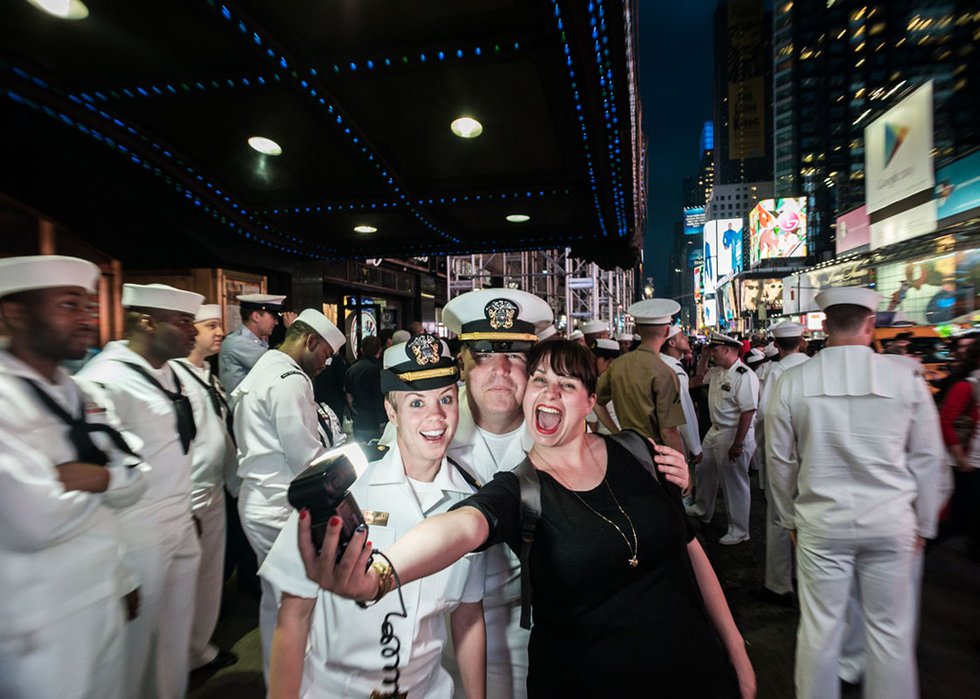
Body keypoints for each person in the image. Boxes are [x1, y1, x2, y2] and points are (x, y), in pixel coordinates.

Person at [299, 341, 755, 698]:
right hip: (589, 685)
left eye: (567, 384)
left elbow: (688, 547)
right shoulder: (518, 488)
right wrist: (380, 574)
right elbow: (462, 526)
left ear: (590, 401)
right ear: (526, 393)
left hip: (696, 674)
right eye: (539, 380)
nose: (550, 392)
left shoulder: (637, 451)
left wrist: (736, 648)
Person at [264, 335, 488, 698]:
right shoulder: (340, 487)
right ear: (391, 411)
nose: (436, 416)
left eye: (446, 398)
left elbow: (468, 614)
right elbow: (294, 614)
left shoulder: (470, 502)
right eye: (416, 403)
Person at [765, 286, 946, 699]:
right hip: (891, 521)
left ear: (824, 326)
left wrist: (788, 518)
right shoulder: (905, 377)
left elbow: (779, 462)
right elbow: (928, 458)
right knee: (890, 634)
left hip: (821, 523)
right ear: (870, 323)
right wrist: (925, 521)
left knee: (819, 629)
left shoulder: (792, 380)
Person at [0, 256, 147, 699]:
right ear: (15, 314)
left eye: (88, 306)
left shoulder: (79, 392)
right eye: (69, 305)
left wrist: (92, 480)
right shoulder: (6, 399)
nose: (87, 319)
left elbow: (138, 479)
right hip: (39, 620)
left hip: (99, 596)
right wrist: (109, 481)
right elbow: (34, 522)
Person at [77, 282, 205, 699]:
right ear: (147, 322)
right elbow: (98, 480)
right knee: (133, 647)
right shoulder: (104, 381)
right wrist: (119, 566)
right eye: (183, 322)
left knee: (172, 634)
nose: (193, 331)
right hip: (135, 528)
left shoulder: (169, 371)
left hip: (178, 515)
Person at [231, 308, 346, 678]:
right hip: (282, 503)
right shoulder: (289, 380)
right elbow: (306, 458)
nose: (325, 364)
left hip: (260, 497)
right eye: (325, 355)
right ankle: (295, 682)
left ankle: (274, 677)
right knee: (299, 604)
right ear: (310, 341)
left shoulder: (268, 366)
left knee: (276, 600)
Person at [170, 303, 239, 671]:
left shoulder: (208, 375)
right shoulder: (175, 376)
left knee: (211, 575)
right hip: (189, 492)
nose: (219, 333)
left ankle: (199, 648)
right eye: (210, 325)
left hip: (214, 488)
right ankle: (183, 654)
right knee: (187, 582)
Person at [753, 321, 808, 607]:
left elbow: (764, 416)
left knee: (779, 518)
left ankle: (778, 584)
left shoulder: (776, 372)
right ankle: (804, 574)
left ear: (777, 343)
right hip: (810, 455)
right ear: (802, 340)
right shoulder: (813, 367)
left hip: (781, 451)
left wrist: (761, 447)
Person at [688, 332, 759, 545]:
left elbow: (748, 412)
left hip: (734, 433)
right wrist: (703, 355)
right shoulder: (719, 372)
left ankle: (739, 530)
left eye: (715, 350)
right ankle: (702, 509)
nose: (713, 354)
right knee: (704, 470)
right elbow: (699, 379)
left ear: (727, 350)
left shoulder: (743, 375)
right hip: (715, 431)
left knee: (733, 482)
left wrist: (737, 444)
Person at [596, 299, 686, 458]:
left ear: (637, 329)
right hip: (656, 454)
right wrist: (683, 470)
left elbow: (596, 401)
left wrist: (617, 433)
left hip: (627, 448)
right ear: (666, 332)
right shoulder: (665, 373)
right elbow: (669, 432)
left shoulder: (618, 365)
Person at [938, 340, 980, 559]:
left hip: (970, 460)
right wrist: (961, 457)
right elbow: (945, 422)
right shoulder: (966, 386)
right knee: (958, 515)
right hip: (963, 462)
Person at [219, 293, 293, 393]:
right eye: (273, 317)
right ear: (256, 316)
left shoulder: (256, 341)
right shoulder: (238, 343)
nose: (276, 322)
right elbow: (281, 366)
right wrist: (293, 331)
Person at [661, 325, 703, 466]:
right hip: (674, 437)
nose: (686, 339)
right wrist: (695, 447)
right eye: (682, 336)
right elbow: (684, 409)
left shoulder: (660, 362)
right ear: (671, 343)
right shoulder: (674, 370)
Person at [345, 335, 387, 443]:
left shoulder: (352, 369)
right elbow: (379, 397)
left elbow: (348, 394)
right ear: (379, 350)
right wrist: (382, 421)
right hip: (375, 421)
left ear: (362, 350)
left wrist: (354, 412)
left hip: (359, 420)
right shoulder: (379, 370)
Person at [586, 338, 621, 434]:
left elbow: (592, 424)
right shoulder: (623, 380)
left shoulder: (594, 385)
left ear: (610, 361)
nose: (590, 362)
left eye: (594, 359)